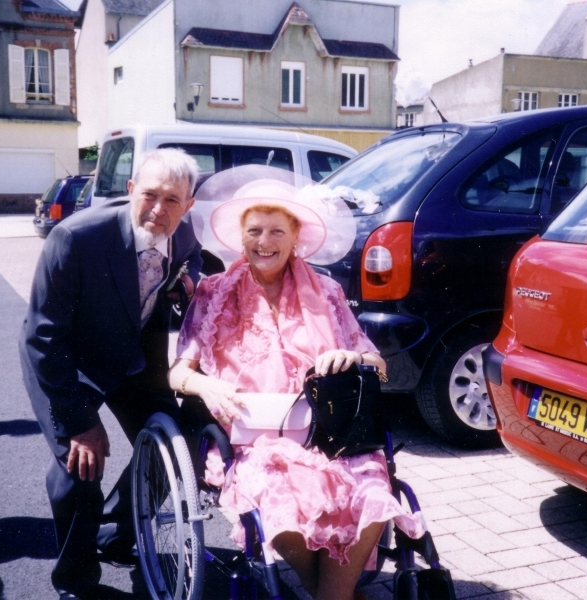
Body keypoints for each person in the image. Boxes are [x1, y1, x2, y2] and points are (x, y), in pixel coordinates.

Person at [169, 177, 426, 600]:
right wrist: (205, 385)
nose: (264, 241)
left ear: (296, 237)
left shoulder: (326, 293)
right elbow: (178, 373)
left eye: (276, 231)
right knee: (279, 502)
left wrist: (352, 359)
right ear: (241, 236)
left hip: (328, 435)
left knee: (373, 493)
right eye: (254, 231)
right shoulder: (215, 292)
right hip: (251, 442)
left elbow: (378, 366)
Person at [20, 148, 202, 600]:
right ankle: (76, 581)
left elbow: (194, 257)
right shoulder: (75, 238)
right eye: (150, 195)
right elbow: (42, 338)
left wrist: (188, 280)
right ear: (129, 191)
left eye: (173, 201)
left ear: (189, 205)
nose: (159, 211)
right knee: (79, 469)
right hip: (67, 359)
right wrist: (80, 424)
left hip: (133, 356)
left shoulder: (184, 232)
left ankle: (117, 531)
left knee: (185, 441)